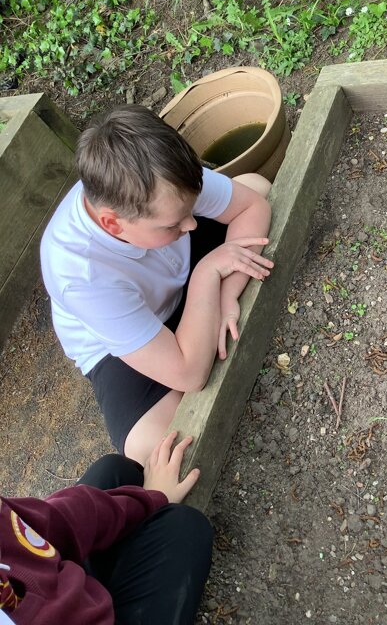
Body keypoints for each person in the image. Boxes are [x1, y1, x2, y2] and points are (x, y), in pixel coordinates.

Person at [40, 105, 273, 464]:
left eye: (191, 210)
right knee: (152, 444)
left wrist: (227, 294)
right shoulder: (80, 275)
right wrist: (207, 275)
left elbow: (251, 205)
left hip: (172, 265)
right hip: (124, 337)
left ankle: (194, 313)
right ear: (112, 224)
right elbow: (190, 375)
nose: (192, 225)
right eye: (175, 222)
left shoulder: (156, 176)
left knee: (257, 185)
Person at [0, 432, 213, 625]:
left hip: (52, 583)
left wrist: (151, 498)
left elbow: (50, 520)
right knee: (184, 526)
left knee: (114, 471)